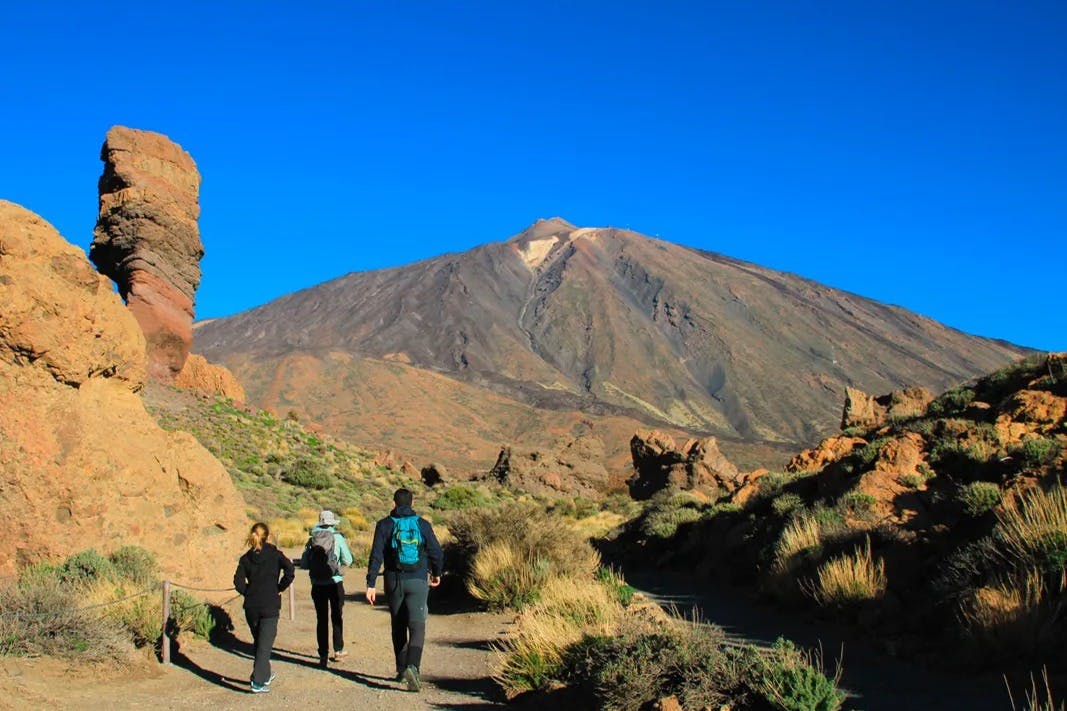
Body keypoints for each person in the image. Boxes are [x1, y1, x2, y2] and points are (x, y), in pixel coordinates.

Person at [365, 488, 444, 692]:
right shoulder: (422, 524)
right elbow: (436, 552)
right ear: (412, 502)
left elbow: (376, 555)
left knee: (398, 624)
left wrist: (371, 583)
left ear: (394, 503)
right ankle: (413, 667)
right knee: (417, 625)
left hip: (393, 581)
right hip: (418, 579)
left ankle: (401, 670)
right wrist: (436, 573)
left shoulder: (384, 524)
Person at [233, 522, 295, 694]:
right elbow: (290, 570)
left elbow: (238, 582)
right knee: (264, 644)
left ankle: (265, 674)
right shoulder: (275, 555)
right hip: (270, 605)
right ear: (267, 537)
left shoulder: (246, 558)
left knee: (260, 642)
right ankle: (258, 682)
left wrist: (249, 592)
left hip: (251, 606)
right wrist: (279, 587)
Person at [299, 510, 354, 668]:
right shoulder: (337, 538)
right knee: (336, 615)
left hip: (317, 584)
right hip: (334, 582)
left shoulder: (312, 539)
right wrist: (339, 568)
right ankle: (338, 650)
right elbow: (348, 559)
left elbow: (304, 563)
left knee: (321, 619)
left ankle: (323, 654)